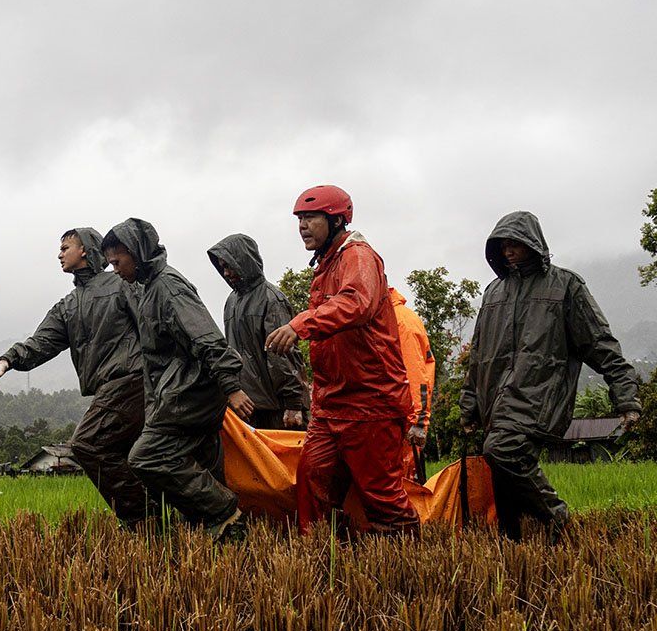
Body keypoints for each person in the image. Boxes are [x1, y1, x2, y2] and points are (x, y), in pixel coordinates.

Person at [460, 211, 640, 541]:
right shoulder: (493, 293)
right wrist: (469, 406)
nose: (508, 251)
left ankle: (560, 520)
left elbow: (599, 343)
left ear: (533, 243)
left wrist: (626, 397)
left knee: (501, 451)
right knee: (505, 485)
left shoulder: (565, 286)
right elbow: (479, 356)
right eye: (503, 245)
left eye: (515, 243)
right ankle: (521, 549)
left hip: (539, 398)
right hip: (495, 402)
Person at [266, 185, 420, 536]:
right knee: (311, 481)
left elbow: (357, 302)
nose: (302, 226)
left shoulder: (358, 256)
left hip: (370, 402)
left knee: (382, 496)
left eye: (310, 218)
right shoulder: (326, 264)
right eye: (299, 219)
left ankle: (408, 564)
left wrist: (300, 323)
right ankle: (319, 559)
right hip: (331, 403)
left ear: (336, 220)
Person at [0, 228, 155, 526]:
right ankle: (159, 519)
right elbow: (40, 343)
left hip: (133, 381)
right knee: (129, 457)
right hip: (108, 389)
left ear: (84, 250)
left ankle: (144, 520)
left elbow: (151, 327)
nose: (59, 254)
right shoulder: (68, 306)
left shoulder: (121, 285)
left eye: (65, 247)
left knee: (87, 444)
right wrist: (5, 362)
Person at [100, 218, 252, 539]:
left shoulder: (168, 287)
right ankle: (226, 542)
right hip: (179, 393)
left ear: (137, 253)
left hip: (190, 395)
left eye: (117, 261)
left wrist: (232, 387)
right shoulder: (148, 289)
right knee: (204, 464)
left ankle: (225, 512)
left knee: (147, 457)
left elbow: (206, 338)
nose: (114, 269)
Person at [207, 233, 308, 430]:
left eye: (228, 265)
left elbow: (283, 354)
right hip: (249, 407)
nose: (226, 273)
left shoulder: (271, 299)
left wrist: (293, 404)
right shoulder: (231, 301)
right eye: (222, 267)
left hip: (278, 408)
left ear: (243, 261)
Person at [388, 287, 435, 482]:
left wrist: (419, 422)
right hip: (391, 417)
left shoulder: (401, 321)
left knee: (406, 485)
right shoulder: (384, 317)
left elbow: (415, 375)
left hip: (405, 421)